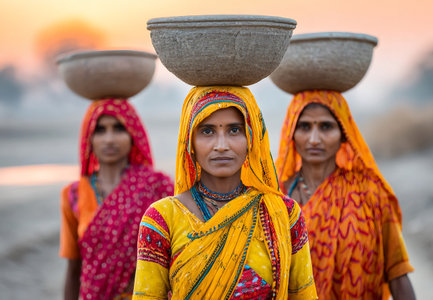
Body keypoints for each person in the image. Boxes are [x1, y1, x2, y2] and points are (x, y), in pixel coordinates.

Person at [132, 87, 318, 299]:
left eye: (234, 130)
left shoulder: (284, 214)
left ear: (252, 138)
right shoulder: (162, 218)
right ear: (189, 141)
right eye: (207, 131)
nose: (221, 146)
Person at [275, 90, 415, 299]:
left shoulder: (370, 193)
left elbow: (397, 270)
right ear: (291, 133)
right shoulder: (276, 198)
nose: (314, 139)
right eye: (304, 126)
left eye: (326, 126)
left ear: (343, 133)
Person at [59, 99, 174, 300]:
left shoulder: (158, 187)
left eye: (119, 128)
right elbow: (73, 268)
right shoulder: (74, 194)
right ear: (89, 137)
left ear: (133, 134)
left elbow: (174, 260)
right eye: (100, 130)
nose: (109, 139)